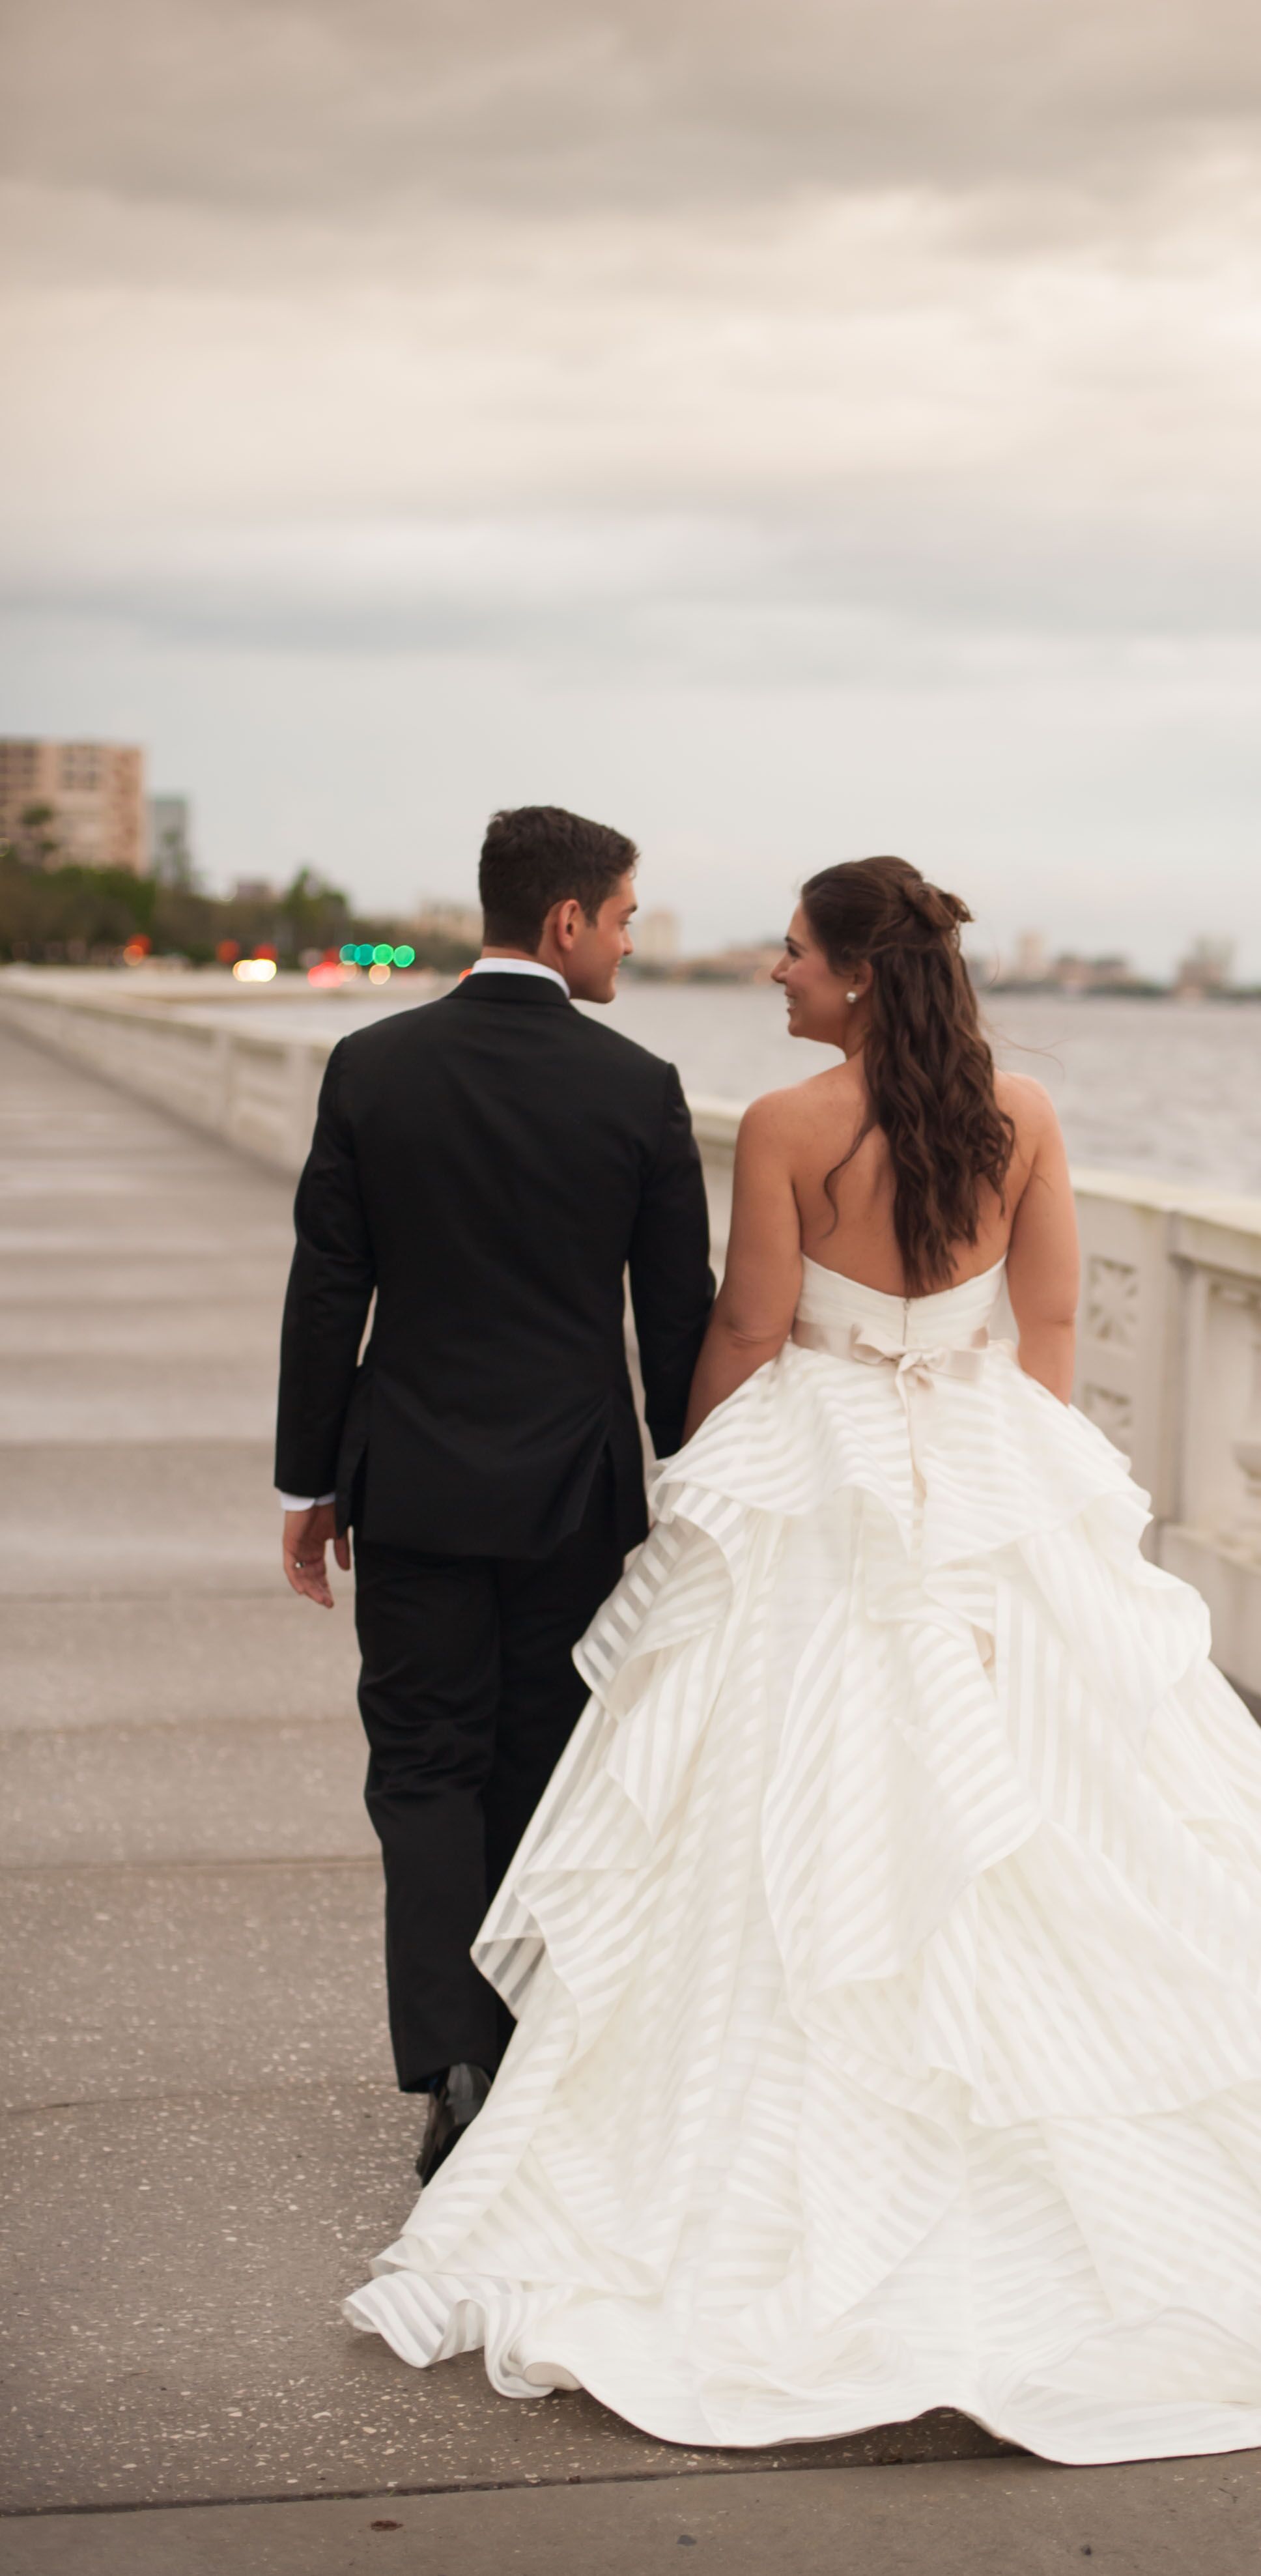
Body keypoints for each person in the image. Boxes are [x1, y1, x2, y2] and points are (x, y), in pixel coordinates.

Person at [343, 855, 1261, 2463]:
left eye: (790, 955)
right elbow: (1046, 1331)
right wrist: (1014, 1494)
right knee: (1062, 1809)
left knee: (778, 1821)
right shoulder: (1024, 1112)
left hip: (825, 1459)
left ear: (849, 974)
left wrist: (696, 1481)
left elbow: (755, 1330)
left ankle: (779, 2175)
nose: (772, 973)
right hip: (989, 1457)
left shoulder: (785, 1126)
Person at [276, 806, 713, 2185]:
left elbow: (328, 1289)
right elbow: (677, 1318)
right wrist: (690, 1481)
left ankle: (450, 2060)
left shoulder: (371, 1068)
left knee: (421, 1766)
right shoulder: (638, 1090)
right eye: (627, 918)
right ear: (568, 921)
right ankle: (517, 2055)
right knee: (538, 1763)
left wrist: (307, 1477)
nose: (632, 942)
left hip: (404, 1479)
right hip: (573, 1498)